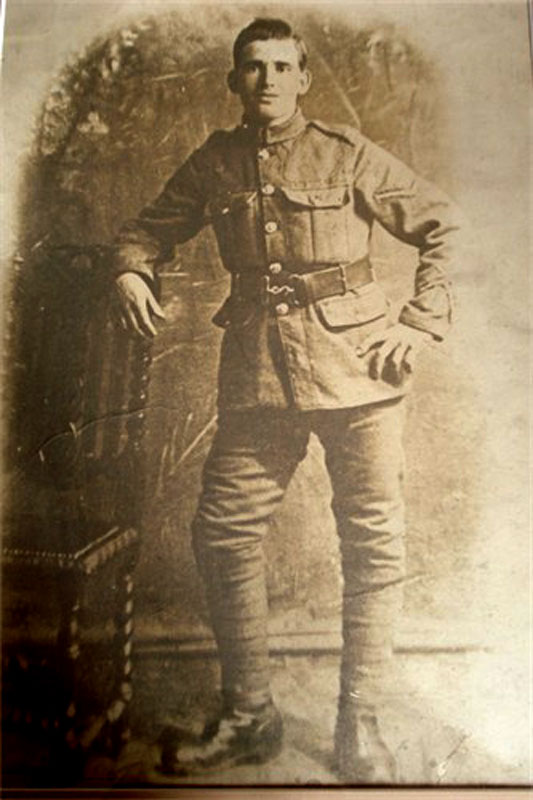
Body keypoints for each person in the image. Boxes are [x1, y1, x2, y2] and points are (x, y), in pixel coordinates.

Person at [112, 17, 460, 783]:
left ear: (302, 78)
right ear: (234, 80)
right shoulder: (214, 162)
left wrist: (419, 322)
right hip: (259, 373)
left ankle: (360, 719)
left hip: (359, 367)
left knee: (372, 541)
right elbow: (145, 230)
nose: (266, 79)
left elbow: (443, 225)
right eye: (252, 66)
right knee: (222, 532)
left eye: (281, 66)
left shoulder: (344, 151)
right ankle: (249, 716)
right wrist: (131, 268)